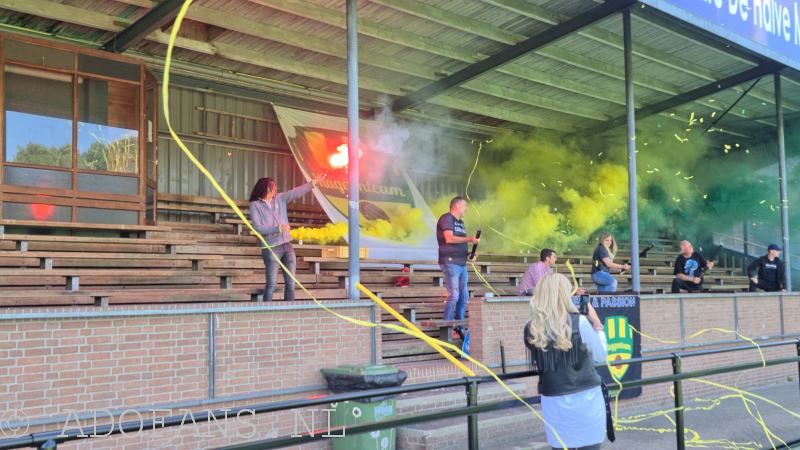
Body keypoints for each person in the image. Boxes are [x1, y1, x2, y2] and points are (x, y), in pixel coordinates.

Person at [524, 273, 609, 450]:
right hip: (586, 399)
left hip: (554, 400)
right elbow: (601, 355)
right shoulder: (580, 322)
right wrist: (598, 326)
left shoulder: (531, 328)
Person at [250, 174, 325, 301]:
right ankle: (265, 312)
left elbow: (296, 192)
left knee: (291, 283)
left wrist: (313, 183)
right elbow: (258, 228)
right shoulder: (255, 205)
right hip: (271, 247)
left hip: (287, 245)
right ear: (265, 188)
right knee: (271, 284)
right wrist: (277, 229)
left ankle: (288, 311)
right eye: (273, 187)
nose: (275, 189)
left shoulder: (280, 198)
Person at [519, 248, 605, 331]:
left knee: (583, 300)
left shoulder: (548, 269)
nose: (556, 259)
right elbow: (543, 286)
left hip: (543, 293)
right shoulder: (537, 267)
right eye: (554, 257)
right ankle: (581, 315)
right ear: (547, 258)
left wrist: (574, 290)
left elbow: (554, 285)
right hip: (528, 292)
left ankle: (596, 322)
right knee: (564, 299)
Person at [437, 197, 480, 324]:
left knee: (463, 296)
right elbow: (449, 238)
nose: (466, 209)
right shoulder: (446, 218)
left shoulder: (461, 223)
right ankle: (448, 325)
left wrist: (469, 254)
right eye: (465, 205)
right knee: (454, 295)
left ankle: (459, 325)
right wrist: (470, 239)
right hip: (450, 262)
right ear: (457, 205)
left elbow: (459, 244)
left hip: (461, 263)